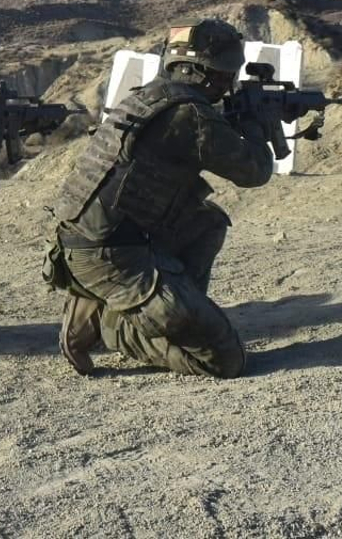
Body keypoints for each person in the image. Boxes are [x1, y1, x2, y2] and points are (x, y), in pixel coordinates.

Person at [49, 19, 274, 379]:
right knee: (225, 360)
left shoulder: (147, 97)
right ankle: (114, 328)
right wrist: (257, 128)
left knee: (207, 221)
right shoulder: (192, 115)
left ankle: (146, 306)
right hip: (113, 253)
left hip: (86, 242)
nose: (228, 83)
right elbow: (255, 172)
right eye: (225, 74)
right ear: (208, 74)